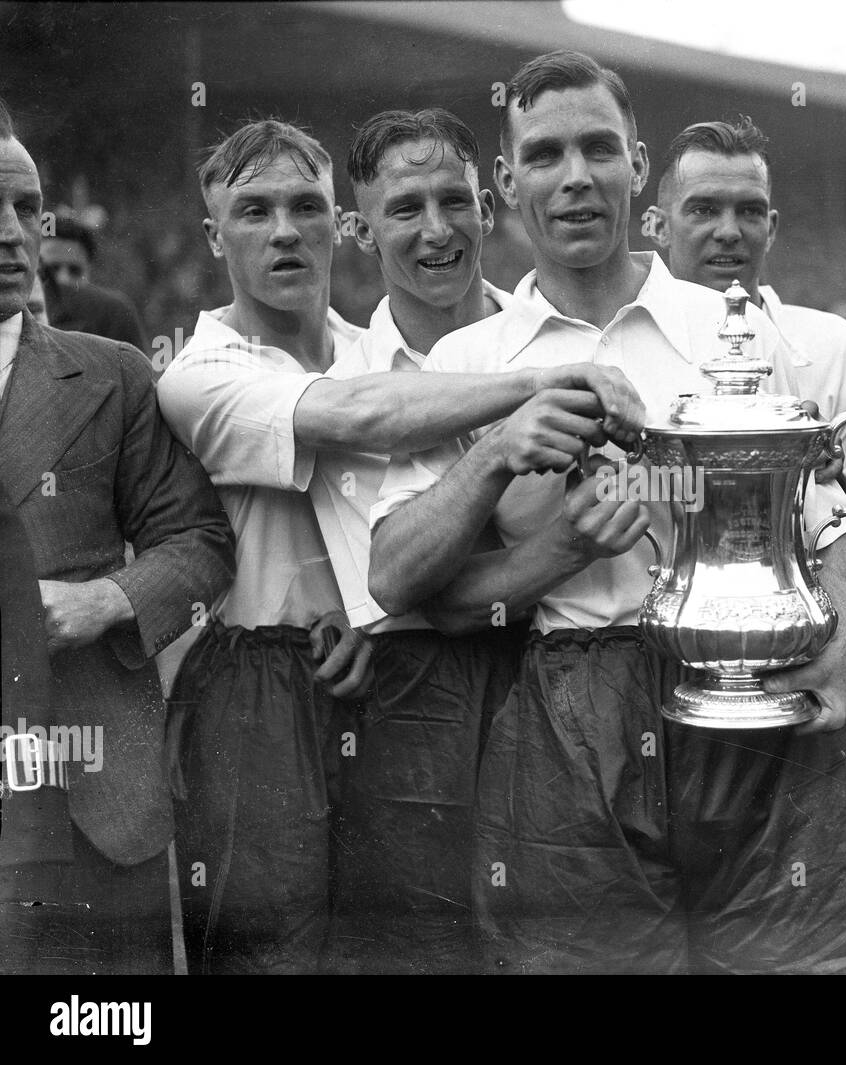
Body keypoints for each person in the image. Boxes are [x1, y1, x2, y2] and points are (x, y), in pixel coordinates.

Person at [368, 49, 846, 975]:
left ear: (638, 164)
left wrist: (831, 656)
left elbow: (828, 518)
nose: (576, 176)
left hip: (750, 695)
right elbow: (395, 576)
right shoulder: (465, 365)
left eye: (598, 148)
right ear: (509, 182)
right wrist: (509, 462)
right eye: (546, 155)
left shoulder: (741, 330)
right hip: (570, 711)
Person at [157, 118, 638, 974]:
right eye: (254, 210)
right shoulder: (207, 369)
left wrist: (355, 613)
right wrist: (542, 385)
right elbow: (363, 420)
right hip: (272, 679)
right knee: (280, 944)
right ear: (212, 234)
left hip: (435, 662)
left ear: (334, 221)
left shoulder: (359, 346)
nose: (283, 230)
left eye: (304, 206)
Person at [0, 102, 235, 975]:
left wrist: (104, 601)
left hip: (95, 804)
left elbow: (203, 545)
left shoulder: (112, 375)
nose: (12, 234)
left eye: (27, 209)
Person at [317, 107, 524, 973]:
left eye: (454, 201)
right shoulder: (340, 390)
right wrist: (333, 614)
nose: (436, 230)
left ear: (486, 207)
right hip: (410, 712)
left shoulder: (550, 342)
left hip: (556, 671)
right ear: (360, 229)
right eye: (405, 209)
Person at [646, 116, 846, 493]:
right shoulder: (623, 345)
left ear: (771, 228)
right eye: (703, 210)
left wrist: (818, 467)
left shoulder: (841, 351)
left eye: (749, 211)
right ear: (659, 227)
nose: (729, 232)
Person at [40, 210, 147, 349]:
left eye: (75, 271)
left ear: (89, 271)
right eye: (51, 269)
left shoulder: (114, 316)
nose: (63, 279)